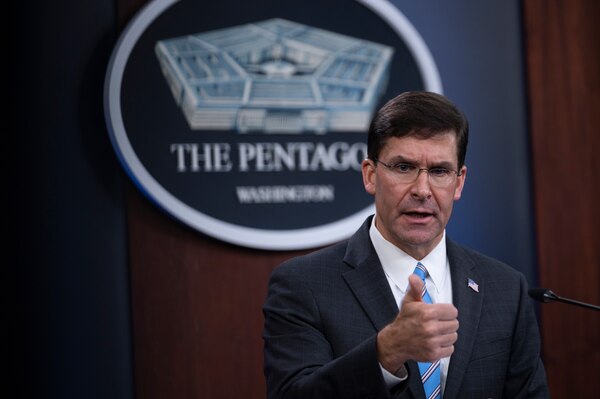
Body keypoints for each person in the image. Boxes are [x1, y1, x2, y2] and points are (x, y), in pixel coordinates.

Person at [262, 91, 549, 398]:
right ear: (371, 175)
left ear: (459, 182)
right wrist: (385, 353)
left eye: (439, 171)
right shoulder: (303, 285)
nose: (422, 190)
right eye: (404, 167)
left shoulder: (506, 288)